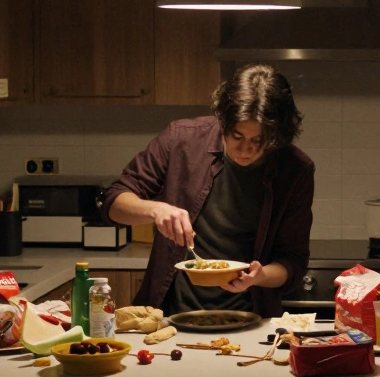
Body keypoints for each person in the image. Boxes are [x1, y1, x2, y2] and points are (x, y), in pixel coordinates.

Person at [101, 63, 315, 317]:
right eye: (237, 136)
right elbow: (113, 203)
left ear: (278, 135)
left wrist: (260, 276)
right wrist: (155, 210)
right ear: (222, 120)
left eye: (259, 140)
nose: (245, 150)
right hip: (171, 317)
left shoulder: (295, 169)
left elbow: (292, 262)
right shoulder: (181, 139)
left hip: (250, 319)